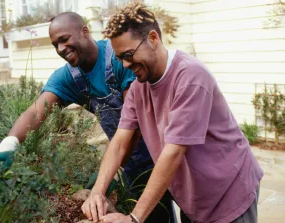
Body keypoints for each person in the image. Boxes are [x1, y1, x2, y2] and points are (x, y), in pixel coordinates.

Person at [81, 3, 264, 223]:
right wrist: (97, 192)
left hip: (228, 193)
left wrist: (134, 218)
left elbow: (173, 152)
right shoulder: (139, 87)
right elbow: (119, 142)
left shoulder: (190, 77)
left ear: (153, 38)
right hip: (193, 198)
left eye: (129, 54)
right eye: (120, 58)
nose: (126, 64)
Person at [0, 12, 176, 222]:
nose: (60, 49)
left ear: (85, 32)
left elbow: (135, 123)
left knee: (179, 210)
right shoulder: (69, 77)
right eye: (55, 44)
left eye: (64, 40)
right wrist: (7, 145)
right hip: (128, 161)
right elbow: (36, 111)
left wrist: (114, 172)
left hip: (163, 153)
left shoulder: (121, 59)